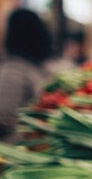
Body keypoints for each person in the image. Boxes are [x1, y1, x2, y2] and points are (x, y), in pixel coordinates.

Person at [0, 9, 54, 143]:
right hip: (14, 153)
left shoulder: (33, 66)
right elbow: (3, 118)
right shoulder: (13, 71)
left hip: (32, 147)